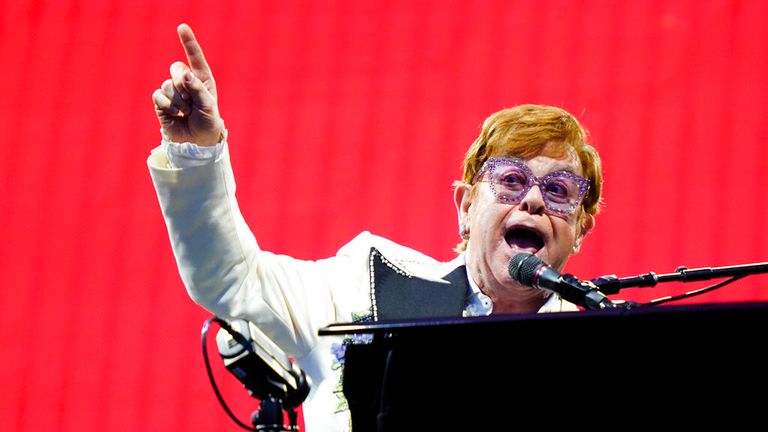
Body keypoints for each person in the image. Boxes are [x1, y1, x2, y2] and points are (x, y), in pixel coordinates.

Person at [148, 24, 602, 432]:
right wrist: (196, 155)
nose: (534, 200)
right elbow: (231, 278)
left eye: (560, 190)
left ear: (580, 228)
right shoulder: (360, 286)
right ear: (465, 206)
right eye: (511, 181)